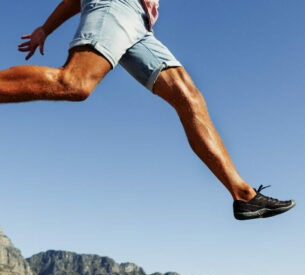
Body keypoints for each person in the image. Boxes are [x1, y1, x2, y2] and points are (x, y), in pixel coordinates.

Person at [0, 0, 295, 220]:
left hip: (139, 25)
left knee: (189, 97)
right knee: (75, 83)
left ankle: (244, 196)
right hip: (115, 5)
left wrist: (45, 28)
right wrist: (46, 28)